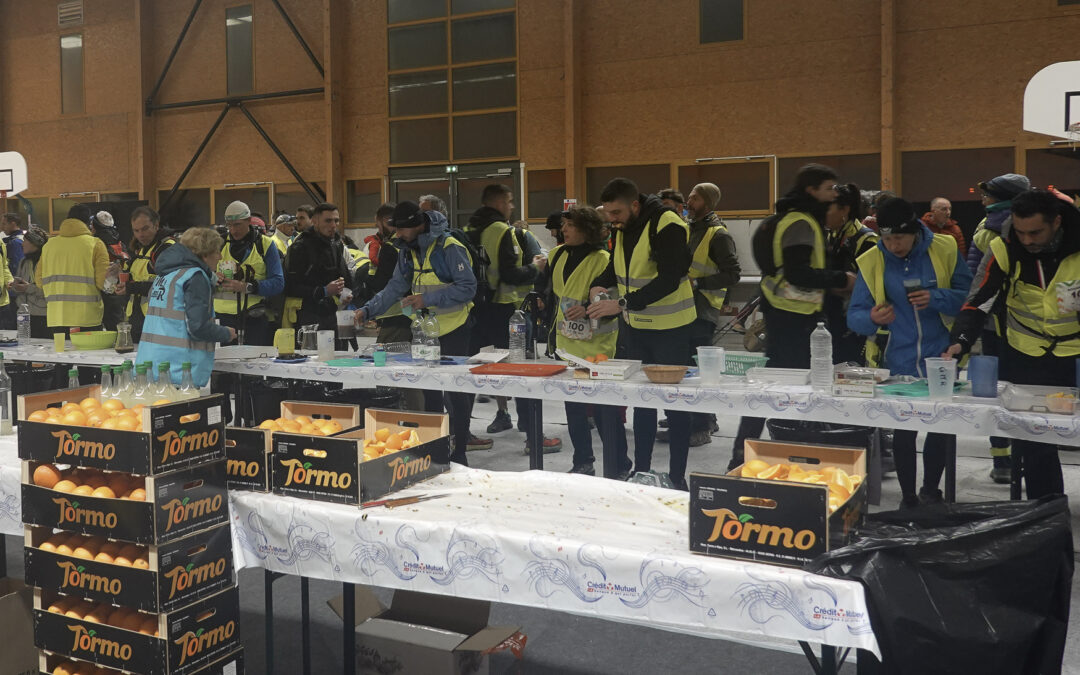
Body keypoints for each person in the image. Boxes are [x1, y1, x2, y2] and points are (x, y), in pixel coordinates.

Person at [947, 188, 1080, 500]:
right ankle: (1043, 514)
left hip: (1075, 358)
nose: (1028, 240)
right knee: (1035, 444)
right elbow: (977, 302)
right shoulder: (1004, 247)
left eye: (1036, 232)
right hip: (1026, 356)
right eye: (1021, 233)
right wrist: (960, 342)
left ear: (1057, 222)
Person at [848, 197, 971, 508]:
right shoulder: (872, 260)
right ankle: (908, 497)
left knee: (939, 427)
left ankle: (931, 490)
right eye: (886, 239)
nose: (893, 245)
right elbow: (855, 316)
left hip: (940, 357)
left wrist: (937, 298)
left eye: (899, 237)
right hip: (897, 359)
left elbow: (969, 299)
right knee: (904, 431)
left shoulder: (943, 248)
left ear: (915, 230)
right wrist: (872, 319)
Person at [728, 164, 848, 471]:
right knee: (794, 393)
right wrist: (840, 279)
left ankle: (742, 458)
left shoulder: (780, 220)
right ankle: (781, 463)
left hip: (782, 315)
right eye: (829, 188)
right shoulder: (802, 223)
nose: (834, 193)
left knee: (768, 389)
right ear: (811, 190)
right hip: (797, 318)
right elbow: (798, 272)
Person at [586, 178, 697, 489]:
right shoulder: (624, 227)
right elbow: (619, 267)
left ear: (635, 205)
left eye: (617, 212)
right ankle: (642, 471)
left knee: (675, 405)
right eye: (608, 213)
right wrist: (600, 282)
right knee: (641, 402)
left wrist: (620, 303)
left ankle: (677, 478)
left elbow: (671, 278)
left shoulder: (667, 224)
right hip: (637, 329)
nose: (612, 219)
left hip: (670, 329)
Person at [354, 202, 476, 465]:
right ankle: (437, 448)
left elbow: (468, 288)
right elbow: (394, 288)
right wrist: (367, 309)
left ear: (416, 225)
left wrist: (427, 299)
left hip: (454, 328)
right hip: (426, 332)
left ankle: (461, 452)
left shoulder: (449, 247)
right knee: (430, 393)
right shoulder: (407, 251)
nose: (397, 235)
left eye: (400, 229)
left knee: (456, 393)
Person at [467, 185, 557, 451]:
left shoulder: (470, 231)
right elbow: (510, 274)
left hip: (476, 312)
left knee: (468, 375)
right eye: (509, 201)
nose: (512, 206)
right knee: (521, 373)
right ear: (498, 203)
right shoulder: (502, 231)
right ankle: (534, 437)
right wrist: (535, 267)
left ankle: (461, 434)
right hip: (505, 313)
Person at [546, 206, 622, 475]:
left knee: (604, 411)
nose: (564, 229)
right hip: (567, 347)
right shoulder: (556, 255)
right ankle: (583, 462)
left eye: (571, 225)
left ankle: (619, 463)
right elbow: (552, 294)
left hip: (597, 348)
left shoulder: (604, 259)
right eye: (563, 224)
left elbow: (612, 301)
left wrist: (585, 307)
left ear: (587, 229)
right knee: (575, 410)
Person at [965, 173, 1031, 483]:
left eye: (988, 195)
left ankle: (1006, 460)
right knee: (1013, 392)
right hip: (994, 322)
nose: (983, 199)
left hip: (999, 323)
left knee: (999, 391)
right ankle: (1013, 459)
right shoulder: (993, 224)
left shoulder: (999, 229)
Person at [136, 226, 236, 388]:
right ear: (204, 254)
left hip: (150, 365)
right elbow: (198, 327)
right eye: (217, 251)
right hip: (178, 370)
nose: (220, 256)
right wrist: (226, 333)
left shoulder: (167, 275)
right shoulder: (195, 277)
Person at [684, 182, 740, 446]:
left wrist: (699, 284)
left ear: (707, 202)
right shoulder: (689, 230)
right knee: (688, 368)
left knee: (698, 370)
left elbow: (732, 274)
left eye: (694, 198)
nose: (688, 201)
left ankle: (701, 427)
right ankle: (700, 421)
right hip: (684, 309)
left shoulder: (718, 235)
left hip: (703, 308)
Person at [213, 200, 284, 345]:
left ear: (248, 221)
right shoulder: (218, 243)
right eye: (229, 225)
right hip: (222, 320)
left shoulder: (265, 245)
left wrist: (247, 287)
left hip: (254, 319)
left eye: (237, 224)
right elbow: (199, 273)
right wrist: (211, 276)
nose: (233, 230)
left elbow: (278, 283)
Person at [824, 183, 878, 364]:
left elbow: (871, 288)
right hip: (829, 320)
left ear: (844, 210)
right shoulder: (829, 236)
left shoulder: (866, 240)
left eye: (827, 207)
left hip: (855, 323)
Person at [284, 203, 358, 331]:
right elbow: (290, 286)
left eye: (336, 220)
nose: (333, 225)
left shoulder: (335, 244)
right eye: (328, 221)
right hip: (308, 316)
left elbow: (344, 276)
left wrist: (345, 293)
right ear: (314, 221)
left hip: (332, 313)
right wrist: (323, 291)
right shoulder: (300, 247)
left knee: (340, 351)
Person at [39, 204, 109, 333]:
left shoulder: (49, 245)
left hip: (57, 318)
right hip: (87, 318)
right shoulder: (95, 244)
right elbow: (103, 282)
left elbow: (39, 281)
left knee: (61, 352)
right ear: (89, 223)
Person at [114, 206, 175, 343]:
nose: (140, 234)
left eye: (145, 228)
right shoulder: (140, 250)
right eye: (136, 230)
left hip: (158, 322)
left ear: (156, 225)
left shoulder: (167, 248)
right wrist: (118, 276)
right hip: (137, 322)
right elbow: (135, 277)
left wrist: (131, 288)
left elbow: (169, 285)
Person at [11, 226, 48, 338]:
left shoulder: (47, 262)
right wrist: (15, 286)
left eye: (25, 241)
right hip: (24, 315)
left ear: (34, 244)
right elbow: (18, 285)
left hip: (42, 315)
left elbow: (49, 290)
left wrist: (28, 288)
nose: (22, 244)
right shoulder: (24, 261)